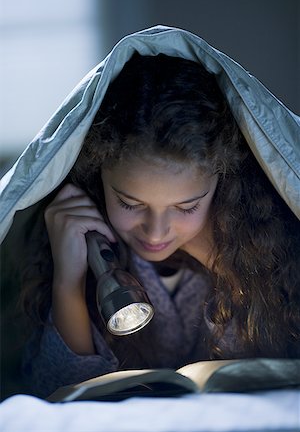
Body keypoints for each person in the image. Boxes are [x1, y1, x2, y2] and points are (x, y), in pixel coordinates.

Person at [19, 52, 300, 398]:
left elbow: (280, 372)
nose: (155, 233)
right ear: (98, 176)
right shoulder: (85, 247)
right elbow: (57, 397)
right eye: (129, 203)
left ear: (221, 185)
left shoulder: (259, 244)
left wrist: (223, 261)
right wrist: (69, 281)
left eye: (186, 206)